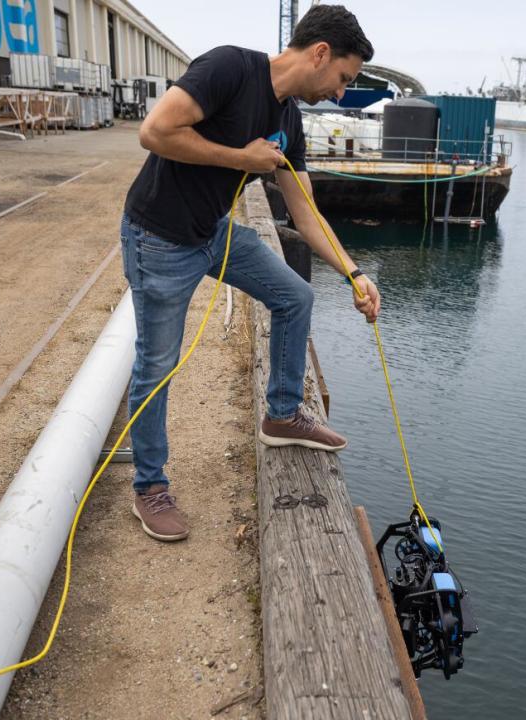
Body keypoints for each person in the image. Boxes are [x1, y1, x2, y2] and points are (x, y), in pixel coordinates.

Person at [121, 5, 380, 542]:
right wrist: (240, 159)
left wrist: (354, 273)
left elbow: (304, 210)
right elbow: (155, 131)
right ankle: (149, 487)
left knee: (295, 295)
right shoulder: (228, 68)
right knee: (157, 365)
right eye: (343, 79)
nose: (339, 93)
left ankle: (282, 415)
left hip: (212, 233)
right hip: (160, 237)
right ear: (320, 53)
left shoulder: (289, 119)